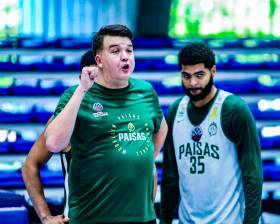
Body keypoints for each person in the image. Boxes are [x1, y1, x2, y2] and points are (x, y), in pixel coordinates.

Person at [44, 24, 168, 224]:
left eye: (129, 50)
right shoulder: (75, 94)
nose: (125, 56)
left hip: (142, 218)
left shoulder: (146, 91)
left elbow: (161, 128)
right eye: (115, 51)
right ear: (99, 60)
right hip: (92, 217)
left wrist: (144, 158)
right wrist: (82, 90)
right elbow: (53, 144)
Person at [159, 43, 262, 224]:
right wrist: (165, 219)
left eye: (199, 75)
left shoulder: (234, 109)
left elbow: (252, 174)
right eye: (186, 76)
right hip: (186, 220)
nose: (192, 83)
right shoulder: (176, 111)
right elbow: (170, 175)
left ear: (213, 71)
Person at [22, 50, 96, 224]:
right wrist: (46, 217)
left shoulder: (129, 116)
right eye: (92, 77)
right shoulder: (63, 118)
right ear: (82, 79)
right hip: (81, 218)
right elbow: (30, 166)